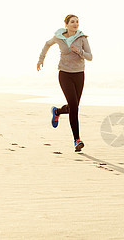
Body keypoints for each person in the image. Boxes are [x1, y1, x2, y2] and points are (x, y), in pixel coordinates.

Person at [37, 14, 93, 152]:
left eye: (77, 22)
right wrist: (41, 59)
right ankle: (77, 140)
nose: (75, 24)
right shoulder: (59, 37)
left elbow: (90, 57)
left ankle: (57, 111)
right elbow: (47, 44)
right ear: (66, 25)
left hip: (79, 74)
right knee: (74, 107)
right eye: (72, 22)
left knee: (74, 106)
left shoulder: (82, 38)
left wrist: (79, 51)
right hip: (64, 74)